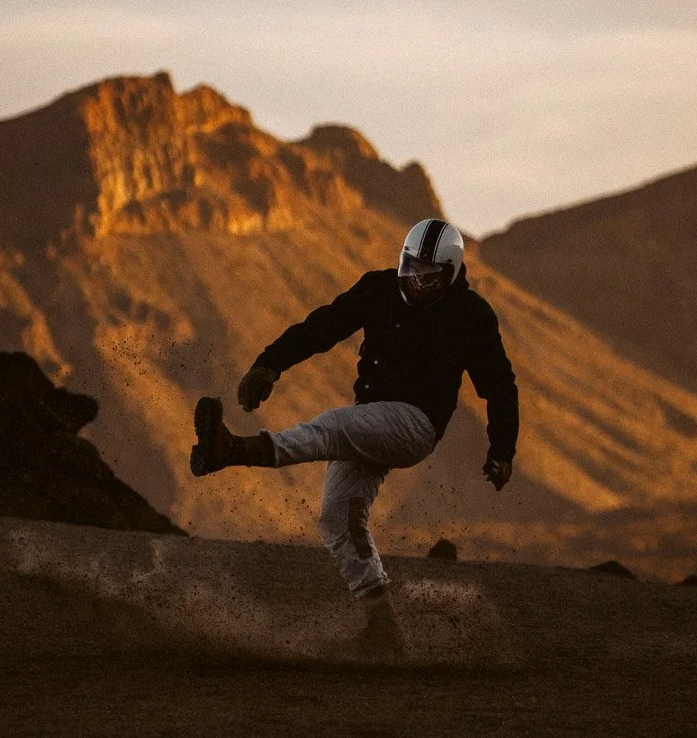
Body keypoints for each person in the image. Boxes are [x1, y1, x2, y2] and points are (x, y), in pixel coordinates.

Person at [189, 218, 519, 654]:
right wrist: (270, 363)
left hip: (414, 426)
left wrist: (502, 450)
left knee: (332, 426)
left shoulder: (470, 315)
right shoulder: (379, 288)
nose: (418, 283)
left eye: (431, 275)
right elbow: (326, 324)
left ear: (452, 275)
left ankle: (232, 450)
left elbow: (498, 384)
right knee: (337, 519)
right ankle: (383, 629)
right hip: (371, 419)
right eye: (412, 269)